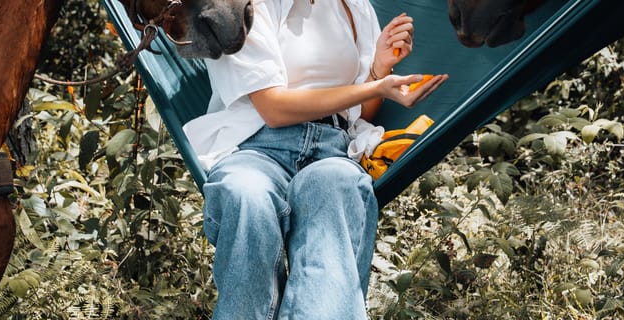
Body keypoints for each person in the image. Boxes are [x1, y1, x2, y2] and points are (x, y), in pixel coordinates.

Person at [182, 0, 448, 318]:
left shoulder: (354, 7)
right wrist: (376, 86)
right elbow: (274, 108)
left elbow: (360, 113)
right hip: (256, 148)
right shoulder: (240, 9)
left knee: (336, 185)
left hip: (332, 147)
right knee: (246, 194)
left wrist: (379, 68)